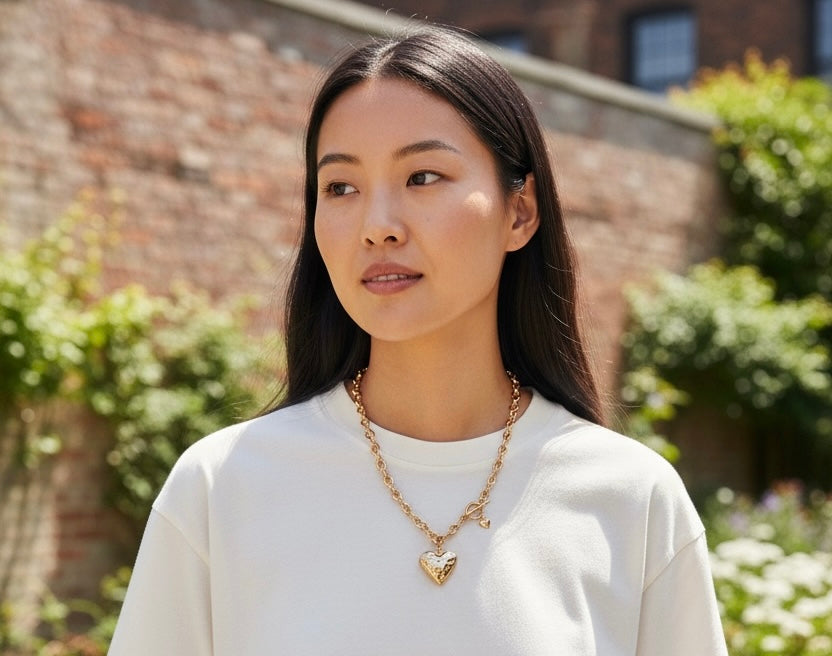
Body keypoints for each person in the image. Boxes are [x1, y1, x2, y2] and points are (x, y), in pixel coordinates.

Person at [108, 27, 728, 655]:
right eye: (341, 187)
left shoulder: (631, 499)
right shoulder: (222, 489)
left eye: (423, 176)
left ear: (520, 212)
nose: (377, 227)